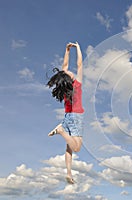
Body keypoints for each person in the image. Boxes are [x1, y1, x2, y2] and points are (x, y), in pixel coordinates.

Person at [47, 42, 84, 184]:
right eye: (68, 72)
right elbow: (80, 64)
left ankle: (69, 173)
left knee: (69, 148)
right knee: (77, 147)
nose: (69, 70)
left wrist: (67, 51)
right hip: (75, 117)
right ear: (69, 79)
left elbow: (64, 67)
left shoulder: (66, 88)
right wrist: (78, 48)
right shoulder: (77, 85)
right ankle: (61, 130)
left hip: (68, 117)